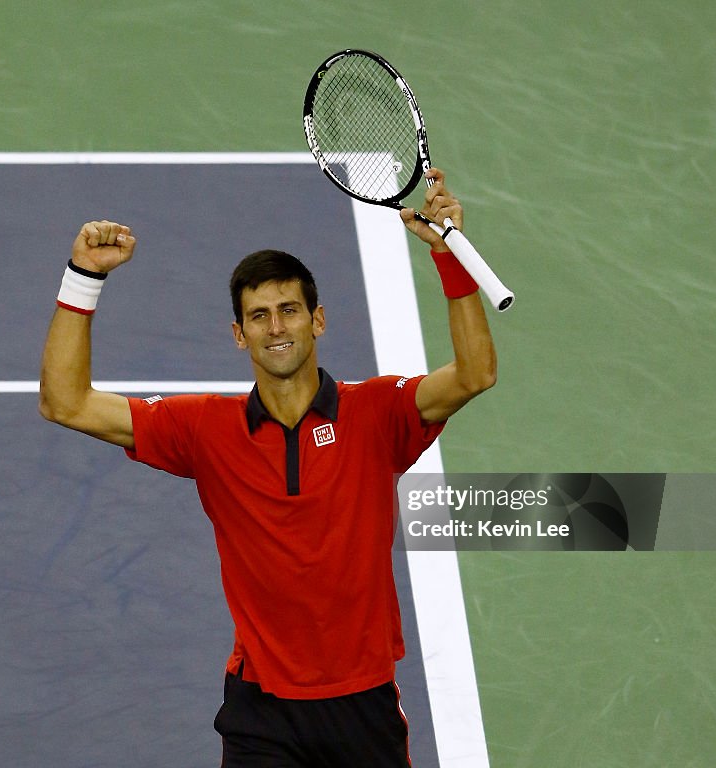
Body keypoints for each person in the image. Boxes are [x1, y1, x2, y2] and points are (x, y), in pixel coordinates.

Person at [39, 168, 496, 767]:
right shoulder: (205, 429)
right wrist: (85, 278)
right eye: (260, 315)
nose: (276, 326)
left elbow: (474, 374)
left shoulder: (377, 414)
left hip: (362, 704)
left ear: (319, 320)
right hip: (262, 711)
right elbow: (64, 402)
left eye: (289, 309)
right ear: (239, 334)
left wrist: (451, 259)